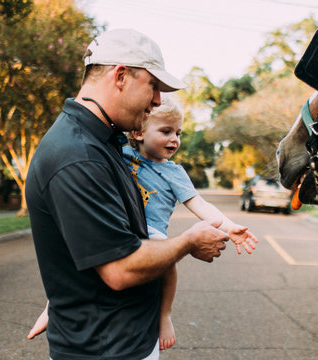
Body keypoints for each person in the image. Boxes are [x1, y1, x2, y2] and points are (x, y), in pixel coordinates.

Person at [25, 28, 229, 360]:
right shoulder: (78, 156)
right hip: (104, 350)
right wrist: (189, 241)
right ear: (121, 76)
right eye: (154, 86)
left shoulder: (104, 142)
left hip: (127, 340)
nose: (158, 100)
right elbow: (120, 269)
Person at [28, 94, 259, 351]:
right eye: (166, 131)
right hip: (118, 225)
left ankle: (165, 316)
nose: (175, 139)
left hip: (151, 234)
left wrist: (228, 226)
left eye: (178, 133)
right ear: (138, 133)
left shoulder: (174, 173)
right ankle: (52, 307)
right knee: (77, 257)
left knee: (167, 259)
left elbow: (200, 205)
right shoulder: (120, 154)